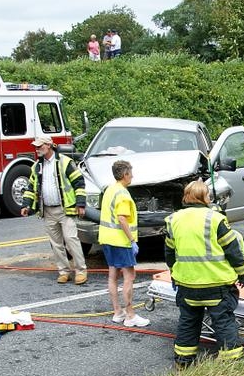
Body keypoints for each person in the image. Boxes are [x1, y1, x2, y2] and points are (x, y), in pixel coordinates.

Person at [164, 180, 244, 368]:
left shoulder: (173, 220)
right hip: (216, 285)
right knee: (223, 321)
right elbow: (233, 251)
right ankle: (231, 362)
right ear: (206, 197)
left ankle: (183, 360)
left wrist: (174, 273)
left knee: (188, 322)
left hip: (187, 286)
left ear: (186, 197)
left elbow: (169, 253)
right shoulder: (215, 219)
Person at [21, 135, 88, 286]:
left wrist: (80, 204)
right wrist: (26, 205)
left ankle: (81, 271)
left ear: (49, 145)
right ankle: (64, 272)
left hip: (66, 210)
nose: (37, 149)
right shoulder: (37, 166)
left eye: (40, 146)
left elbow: (79, 183)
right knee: (56, 243)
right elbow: (31, 188)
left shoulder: (65, 162)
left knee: (71, 240)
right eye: (36, 147)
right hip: (48, 211)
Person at [98, 160, 149, 327]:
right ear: (125, 174)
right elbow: (122, 218)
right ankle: (130, 315)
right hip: (121, 241)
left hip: (107, 239)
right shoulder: (123, 194)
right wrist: (132, 240)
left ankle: (117, 312)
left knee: (113, 276)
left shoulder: (110, 190)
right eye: (131, 173)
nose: (132, 176)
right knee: (129, 276)